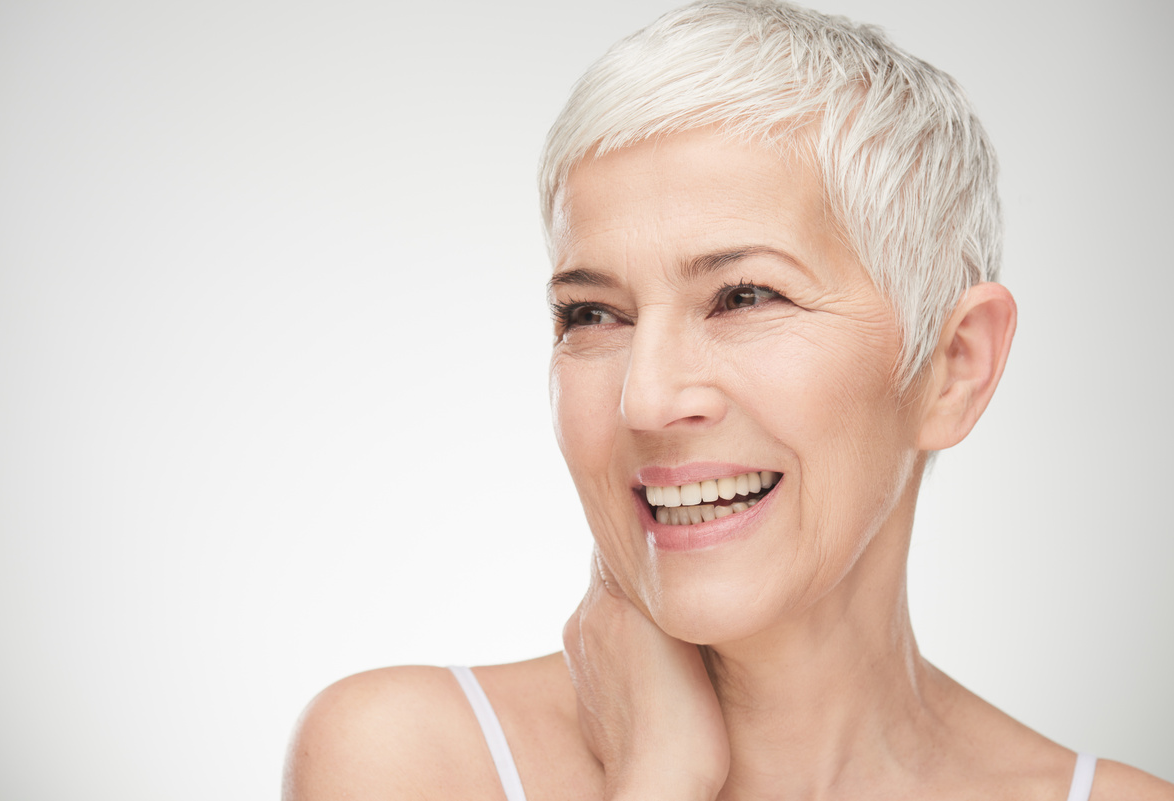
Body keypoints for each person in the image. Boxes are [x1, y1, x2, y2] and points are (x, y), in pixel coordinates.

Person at [283, 2, 1174, 799]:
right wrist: (658, 777)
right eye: (592, 313)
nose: (647, 396)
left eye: (745, 296)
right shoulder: (410, 759)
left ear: (952, 366)